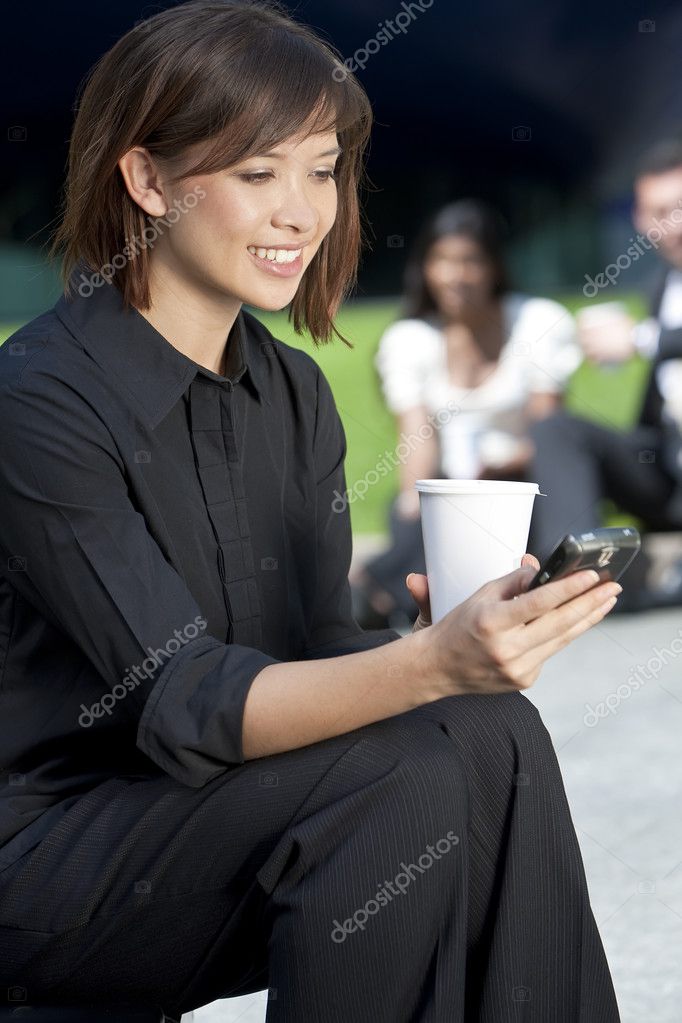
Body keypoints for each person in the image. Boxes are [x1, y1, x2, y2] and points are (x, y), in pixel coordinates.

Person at [0, 2, 622, 1020]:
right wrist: (426, 666)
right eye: (257, 173)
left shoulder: (288, 392)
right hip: (46, 862)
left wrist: (441, 646)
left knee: (488, 731)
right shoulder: (38, 401)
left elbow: (316, 646)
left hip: (204, 820)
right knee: (396, 782)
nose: (301, 210)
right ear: (148, 179)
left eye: (321, 169)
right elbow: (188, 700)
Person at [352, 200, 580, 628]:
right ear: (425, 268)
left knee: (477, 537)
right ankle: (378, 596)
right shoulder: (411, 339)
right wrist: (412, 499)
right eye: (442, 261)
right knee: (421, 524)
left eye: (470, 261)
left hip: (518, 486)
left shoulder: (537, 322)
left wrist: (496, 468)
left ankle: (374, 593)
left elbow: (549, 431)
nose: (455, 276)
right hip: (449, 488)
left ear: (494, 266)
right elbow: (416, 436)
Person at [528, 138, 682, 579]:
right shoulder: (661, 287)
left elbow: (654, 341)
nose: (672, 225)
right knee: (558, 430)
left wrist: (638, 339)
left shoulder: (649, 326)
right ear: (638, 219)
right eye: (657, 213)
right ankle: (575, 570)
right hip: (667, 476)